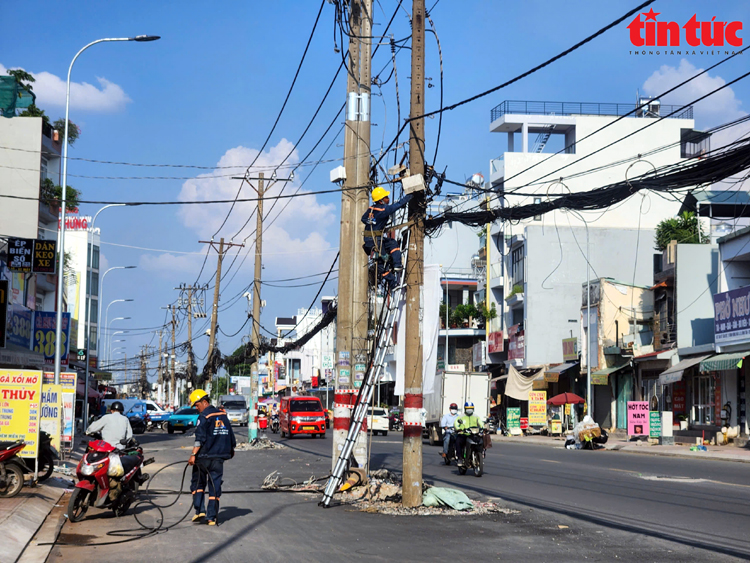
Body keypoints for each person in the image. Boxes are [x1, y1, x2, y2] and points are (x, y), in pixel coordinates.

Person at [188, 389, 236, 526]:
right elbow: (230, 435)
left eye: (197, 405)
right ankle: (211, 518)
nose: (197, 409)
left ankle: (199, 511)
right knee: (215, 487)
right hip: (219, 457)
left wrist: (192, 455)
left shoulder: (204, 417)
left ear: (204, 402)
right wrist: (231, 449)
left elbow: (199, 439)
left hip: (203, 456)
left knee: (197, 483)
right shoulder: (223, 415)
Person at [361, 187, 412, 288]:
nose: (388, 199)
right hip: (377, 240)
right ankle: (397, 265)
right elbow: (398, 204)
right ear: (381, 200)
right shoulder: (384, 209)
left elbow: (363, 219)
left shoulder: (371, 209)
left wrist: (373, 222)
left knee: (381, 265)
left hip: (368, 241)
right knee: (393, 243)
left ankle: (393, 285)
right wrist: (411, 195)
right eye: (386, 197)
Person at [454, 402, 482, 466]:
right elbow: (456, 423)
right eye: (468, 409)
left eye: (471, 408)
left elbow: (481, 423)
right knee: (458, 442)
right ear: (465, 409)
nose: (469, 410)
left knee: (481, 440)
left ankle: (481, 453)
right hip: (464, 434)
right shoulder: (461, 416)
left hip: (473, 434)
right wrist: (458, 429)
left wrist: (484, 428)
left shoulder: (476, 416)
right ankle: (460, 458)